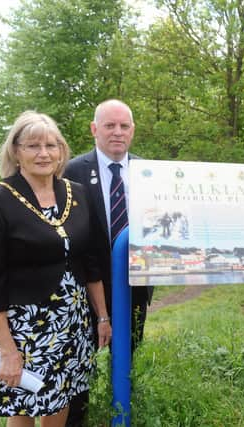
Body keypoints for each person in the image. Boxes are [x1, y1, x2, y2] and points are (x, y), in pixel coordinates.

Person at [0, 111, 112, 427]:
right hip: (25, 330)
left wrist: (101, 316)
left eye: (51, 145)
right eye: (33, 145)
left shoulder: (77, 193)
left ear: (61, 151)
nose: (44, 153)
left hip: (72, 322)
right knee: (23, 407)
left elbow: (89, 261)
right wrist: (7, 350)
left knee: (60, 399)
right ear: (16, 151)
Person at [64, 99, 153, 426]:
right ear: (94, 130)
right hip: (85, 284)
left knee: (128, 354)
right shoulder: (71, 171)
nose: (117, 132)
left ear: (132, 130)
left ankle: (124, 411)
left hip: (135, 285)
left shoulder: (148, 172)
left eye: (124, 126)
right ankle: (77, 417)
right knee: (80, 359)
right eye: (109, 126)